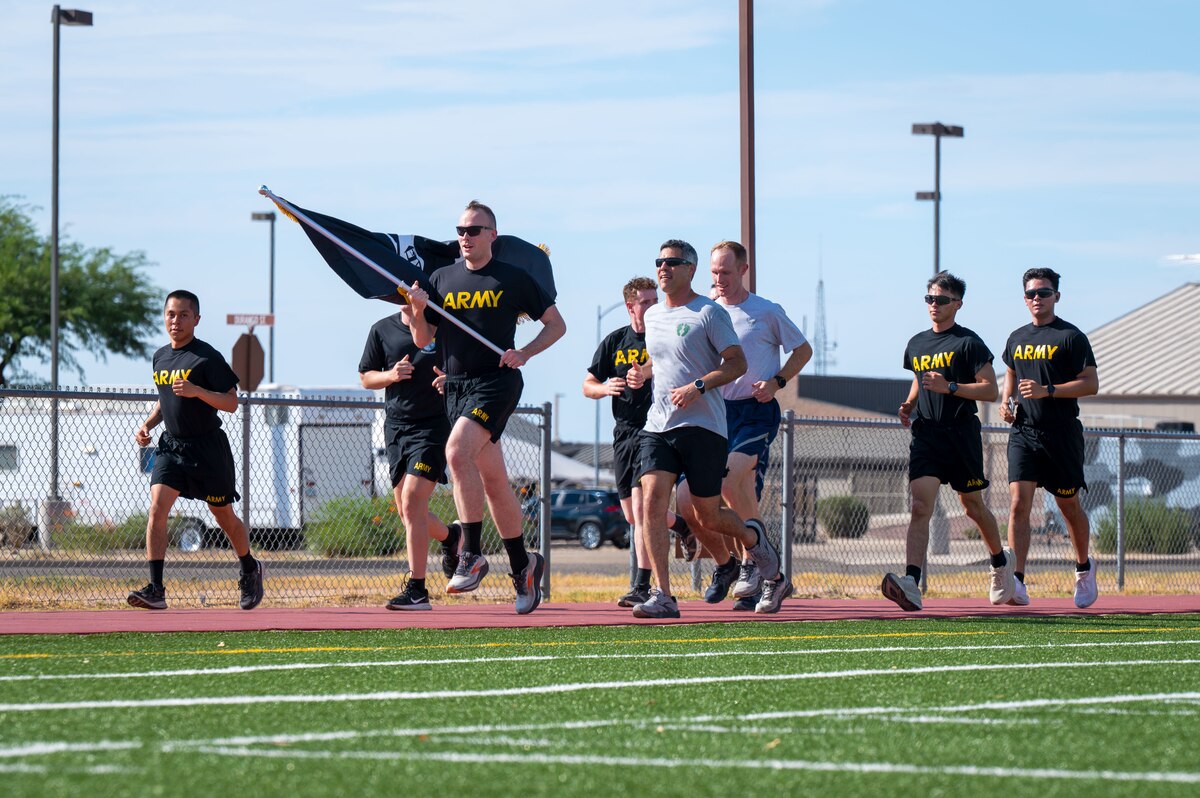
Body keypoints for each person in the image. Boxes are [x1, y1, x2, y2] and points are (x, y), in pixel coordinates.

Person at [406, 201, 566, 615]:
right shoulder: (441, 277)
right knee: (494, 481)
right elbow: (425, 338)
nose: (465, 236)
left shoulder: (513, 278)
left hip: (496, 383)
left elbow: (556, 324)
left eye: (475, 230)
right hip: (456, 387)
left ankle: (472, 553)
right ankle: (523, 565)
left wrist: (525, 352)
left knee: (456, 452)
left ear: (492, 235)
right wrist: (419, 309)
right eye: (461, 229)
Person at [625, 239, 783, 619]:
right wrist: (641, 373)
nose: (664, 268)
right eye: (659, 261)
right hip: (659, 424)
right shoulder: (653, 318)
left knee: (708, 514)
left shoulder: (709, 313)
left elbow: (737, 363)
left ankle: (752, 538)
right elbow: (663, 362)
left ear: (690, 269)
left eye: (672, 262)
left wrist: (699, 386)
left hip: (704, 426)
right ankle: (663, 594)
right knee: (651, 502)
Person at [881, 271, 1014, 612]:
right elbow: (920, 380)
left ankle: (1000, 562)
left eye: (941, 300)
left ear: (957, 304)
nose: (934, 306)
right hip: (926, 434)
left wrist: (951, 387)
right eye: (929, 299)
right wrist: (910, 402)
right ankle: (912, 582)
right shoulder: (916, 343)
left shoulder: (969, 343)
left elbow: (990, 390)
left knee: (972, 506)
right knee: (919, 506)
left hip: (960, 434)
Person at [694, 240, 812, 614]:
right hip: (715, 412)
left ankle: (752, 564)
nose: (719, 279)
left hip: (755, 411)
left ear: (743, 270)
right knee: (716, 497)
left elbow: (803, 350)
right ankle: (764, 572)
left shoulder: (765, 311)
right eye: (714, 272)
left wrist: (777, 381)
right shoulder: (705, 312)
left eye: (726, 272)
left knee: (730, 482)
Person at [128, 290, 264, 611]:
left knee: (223, 516)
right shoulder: (160, 356)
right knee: (157, 509)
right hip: (172, 447)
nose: (176, 321)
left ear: (196, 320)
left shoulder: (206, 357)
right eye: (171, 314)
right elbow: (166, 399)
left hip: (207, 449)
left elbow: (231, 402)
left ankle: (249, 567)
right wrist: (148, 424)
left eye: (184, 315)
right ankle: (156, 589)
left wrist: (197, 391)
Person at [583, 276, 693, 608]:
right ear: (630, 306)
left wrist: (644, 372)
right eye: (644, 302)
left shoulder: (663, 336)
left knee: (646, 511)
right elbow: (588, 383)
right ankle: (682, 525)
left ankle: (643, 585)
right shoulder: (615, 340)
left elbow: (677, 365)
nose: (650, 305)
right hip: (624, 433)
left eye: (653, 299)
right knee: (633, 516)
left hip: (655, 431)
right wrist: (607, 388)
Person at [998, 267, 1099, 608]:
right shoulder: (1016, 338)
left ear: (1057, 296)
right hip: (1024, 433)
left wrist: (1048, 390)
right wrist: (1006, 401)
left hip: (1061, 435)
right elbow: (1011, 371)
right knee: (1017, 505)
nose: (1036, 299)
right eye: (1030, 294)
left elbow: (1090, 383)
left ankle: (1084, 568)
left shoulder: (1071, 337)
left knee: (1068, 506)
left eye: (1043, 293)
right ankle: (1018, 581)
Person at [359, 294, 462, 611]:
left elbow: (465, 368)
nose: (404, 297)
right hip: (396, 428)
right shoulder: (382, 330)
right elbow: (366, 377)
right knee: (407, 513)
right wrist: (390, 375)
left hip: (433, 426)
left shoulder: (441, 328)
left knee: (413, 499)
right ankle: (450, 537)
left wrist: (451, 380)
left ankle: (417, 588)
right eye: (398, 292)